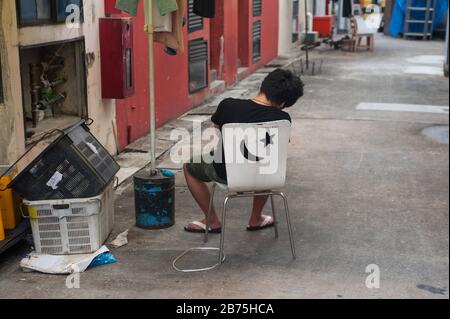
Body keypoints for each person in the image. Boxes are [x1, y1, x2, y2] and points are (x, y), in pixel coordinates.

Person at [183, 69, 304, 233]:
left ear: (263, 85)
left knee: (189, 166)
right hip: (267, 175)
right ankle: (256, 218)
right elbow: (276, 148)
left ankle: (212, 221)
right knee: (266, 164)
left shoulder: (228, 106)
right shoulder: (283, 119)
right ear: (284, 103)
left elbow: (217, 130)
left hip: (226, 172)